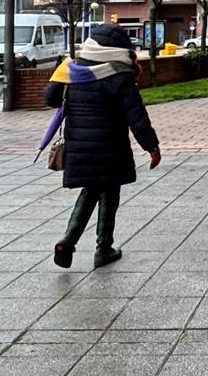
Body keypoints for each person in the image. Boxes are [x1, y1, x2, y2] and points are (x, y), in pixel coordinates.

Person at [47, 23, 160, 269]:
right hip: (111, 145)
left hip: (79, 144)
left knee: (94, 189)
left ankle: (80, 243)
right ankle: (96, 246)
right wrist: (151, 147)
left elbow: (51, 98)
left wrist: (62, 75)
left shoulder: (71, 68)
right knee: (106, 191)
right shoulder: (119, 74)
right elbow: (136, 115)